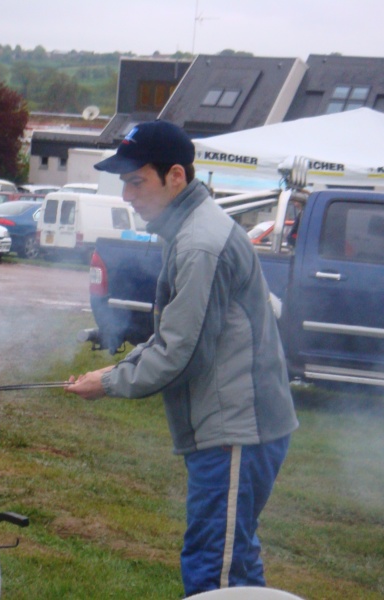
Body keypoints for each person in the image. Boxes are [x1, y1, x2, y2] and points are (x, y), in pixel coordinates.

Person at [65, 120, 298, 596]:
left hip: (237, 430)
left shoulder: (198, 243)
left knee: (216, 573)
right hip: (236, 427)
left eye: (137, 181)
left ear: (175, 176)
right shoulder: (191, 230)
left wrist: (109, 385)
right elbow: (178, 333)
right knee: (236, 563)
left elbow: (180, 353)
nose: (128, 196)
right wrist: (116, 369)